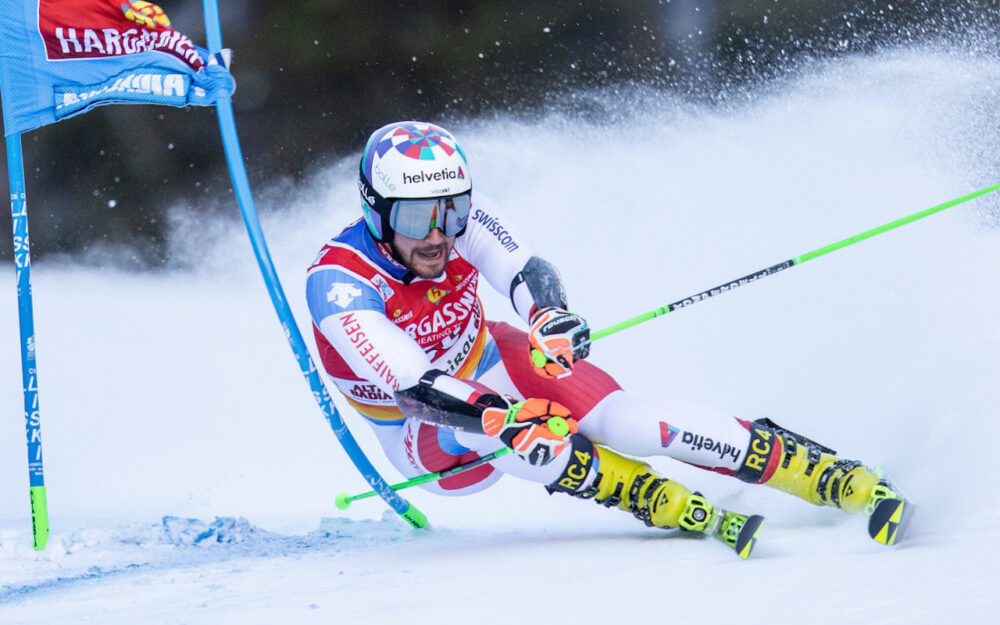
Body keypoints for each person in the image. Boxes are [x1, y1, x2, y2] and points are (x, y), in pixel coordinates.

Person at [306, 121, 907, 557]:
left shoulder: (457, 219)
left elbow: (523, 268)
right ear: (378, 212)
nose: (439, 234)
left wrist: (548, 316)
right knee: (530, 443)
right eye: (416, 219)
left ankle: (814, 470)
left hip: (484, 353)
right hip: (421, 429)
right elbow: (413, 387)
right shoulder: (339, 283)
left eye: (452, 209)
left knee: (631, 423)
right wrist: (499, 417)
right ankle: (637, 490)